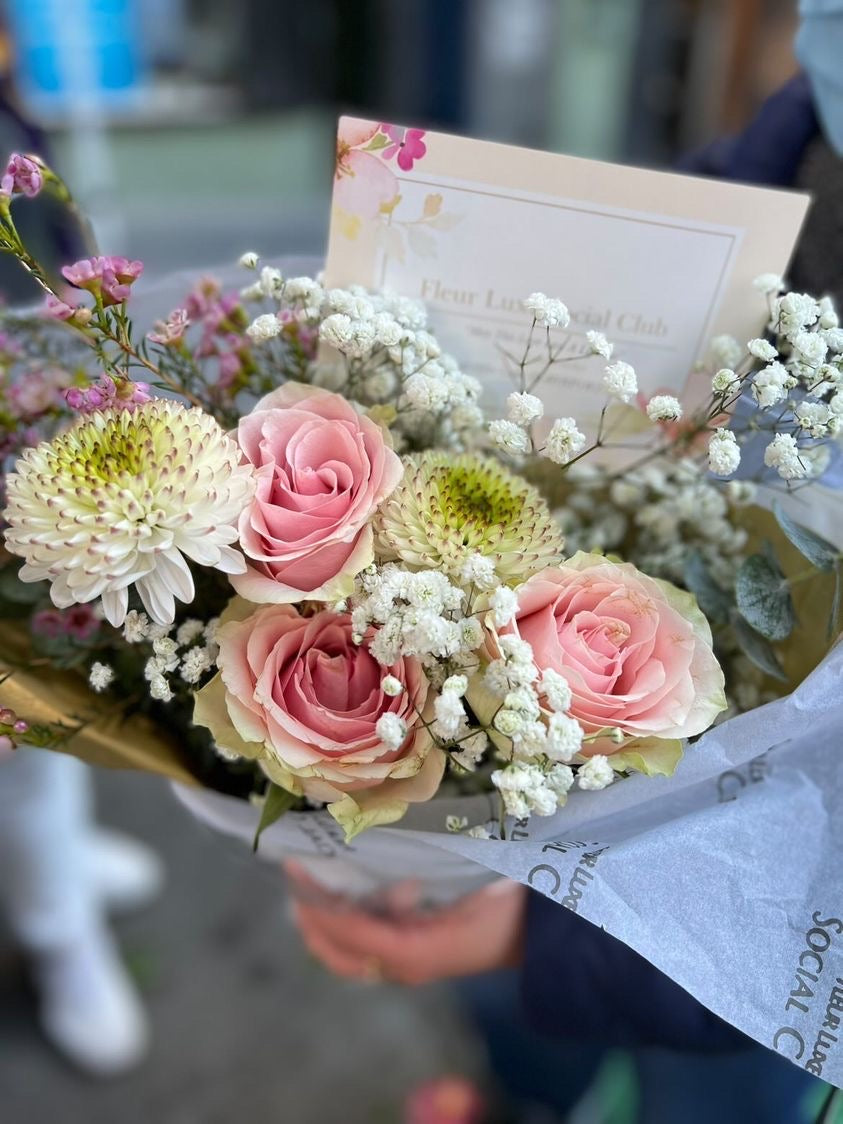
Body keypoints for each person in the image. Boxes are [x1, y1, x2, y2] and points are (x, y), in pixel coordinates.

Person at [287, 5, 843, 1119]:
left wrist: (557, 938)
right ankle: (518, 1092)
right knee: (506, 990)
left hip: (735, 964)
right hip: (521, 806)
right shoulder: (804, 140)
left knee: (719, 1090)